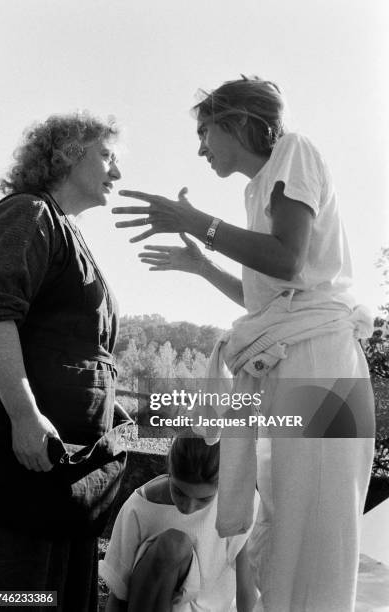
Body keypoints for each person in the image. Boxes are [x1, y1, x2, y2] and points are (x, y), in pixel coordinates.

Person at [112, 76, 376, 611]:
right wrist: (203, 264)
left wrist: (195, 221)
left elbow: (288, 260)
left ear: (238, 121)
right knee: (285, 524)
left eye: (206, 130)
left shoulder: (294, 152)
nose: (201, 147)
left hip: (322, 368)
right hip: (294, 365)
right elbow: (268, 303)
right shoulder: (258, 190)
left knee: (319, 532)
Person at [0, 112, 123, 611]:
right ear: (65, 154)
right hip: (19, 471)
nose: (117, 172)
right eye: (106, 155)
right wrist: (23, 413)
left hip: (62, 478)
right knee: (15, 598)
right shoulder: (28, 214)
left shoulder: (69, 231)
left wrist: (116, 420)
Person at [100, 435, 256, 612]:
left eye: (203, 499)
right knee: (173, 544)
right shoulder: (139, 508)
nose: (188, 507)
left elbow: (247, 588)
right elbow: (119, 593)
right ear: (170, 470)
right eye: (180, 492)